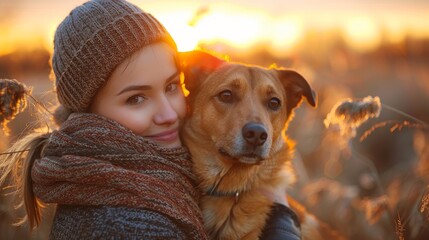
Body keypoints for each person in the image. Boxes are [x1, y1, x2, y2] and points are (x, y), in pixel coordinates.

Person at [0, 0, 301, 239]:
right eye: (136, 99)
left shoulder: (162, 180)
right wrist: (282, 224)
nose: (169, 115)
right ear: (88, 112)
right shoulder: (128, 226)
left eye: (172, 87)